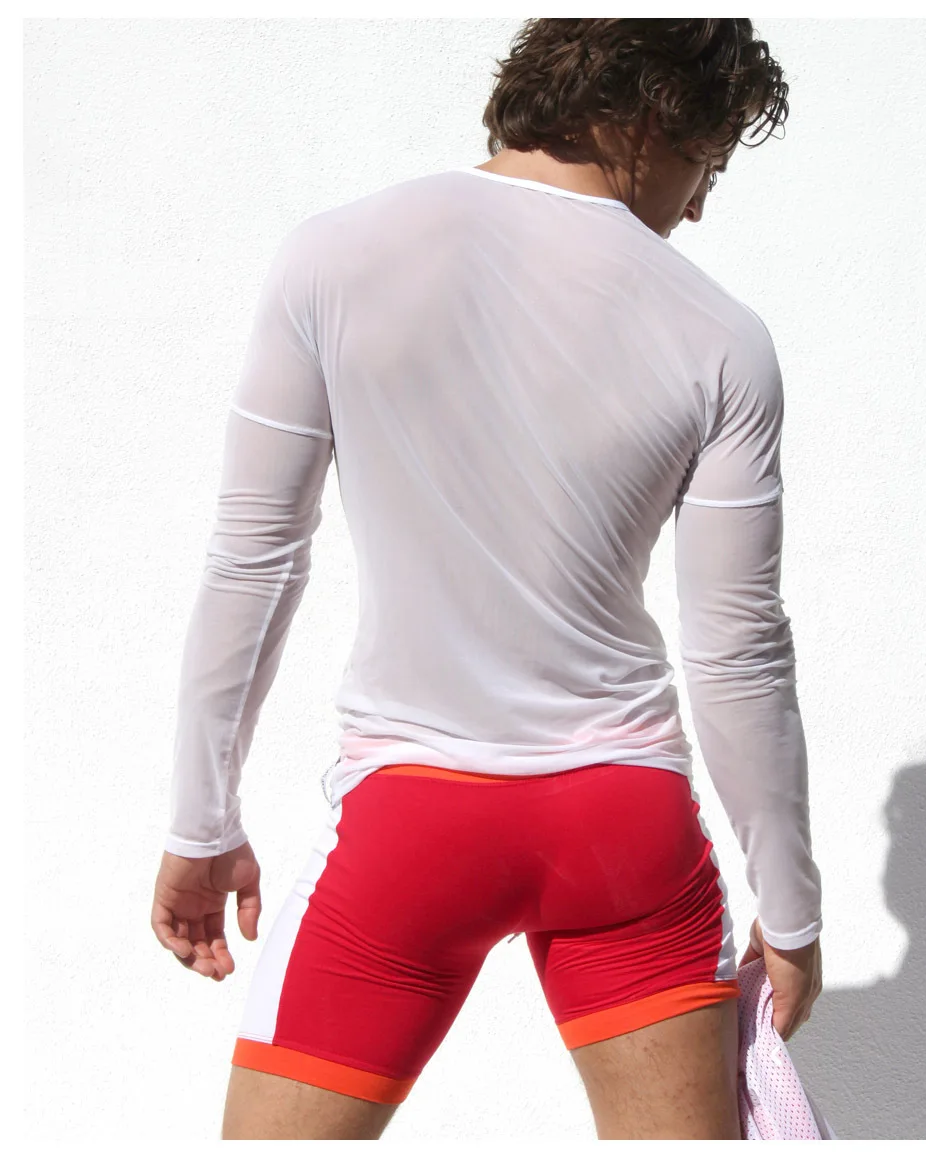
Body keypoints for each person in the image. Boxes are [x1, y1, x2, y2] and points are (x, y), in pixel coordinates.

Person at [150, 17, 823, 1140]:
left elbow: (255, 558)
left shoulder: (333, 256)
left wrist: (201, 818)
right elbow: (737, 646)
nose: (700, 207)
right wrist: (792, 913)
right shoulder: (722, 335)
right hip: (625, 828)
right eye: (706, 166)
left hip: (414, 823)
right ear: (653, 119)